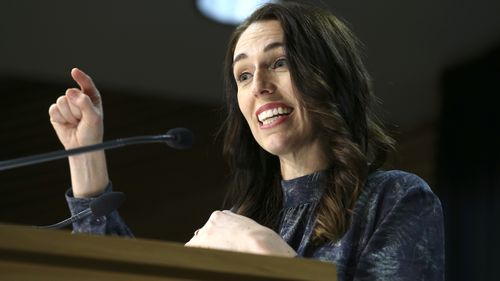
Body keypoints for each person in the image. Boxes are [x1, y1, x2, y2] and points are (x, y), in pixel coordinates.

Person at [48, 2, 444, 280]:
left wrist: (258, 246)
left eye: (280, 62)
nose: (259, 87)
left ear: (331, 76)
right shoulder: (247, 214)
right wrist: (86, 156)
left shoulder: (395, 199)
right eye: (243, 76)